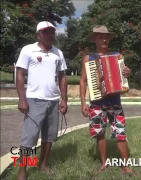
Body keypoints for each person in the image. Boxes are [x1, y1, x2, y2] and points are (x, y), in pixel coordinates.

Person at [15, 21, 68, 180]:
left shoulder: (58, 53)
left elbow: (63, 77)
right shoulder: (28, 50)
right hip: (34, 100)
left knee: (49, 136)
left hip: (53, 100)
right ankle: (22, 171)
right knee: (29, 138)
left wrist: (63, 99)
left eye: (52, 32)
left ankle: (43, 164)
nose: (50, 35)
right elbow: (20, 75)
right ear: (38, 34)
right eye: (46, 32)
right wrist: (22, 99)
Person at [79, 25, 134, 175]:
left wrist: (127, 72)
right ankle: (104, 164)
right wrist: (83, 102)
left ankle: (126, 166)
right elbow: (83, 81)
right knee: (100, 134)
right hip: (97, 103)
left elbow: (124, 76)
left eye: (106, 37)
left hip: (115, 101)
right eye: (100, 37)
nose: (104, 39)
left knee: (121, 133)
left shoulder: (117, 56)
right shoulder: (88, 59)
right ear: (95, 39)